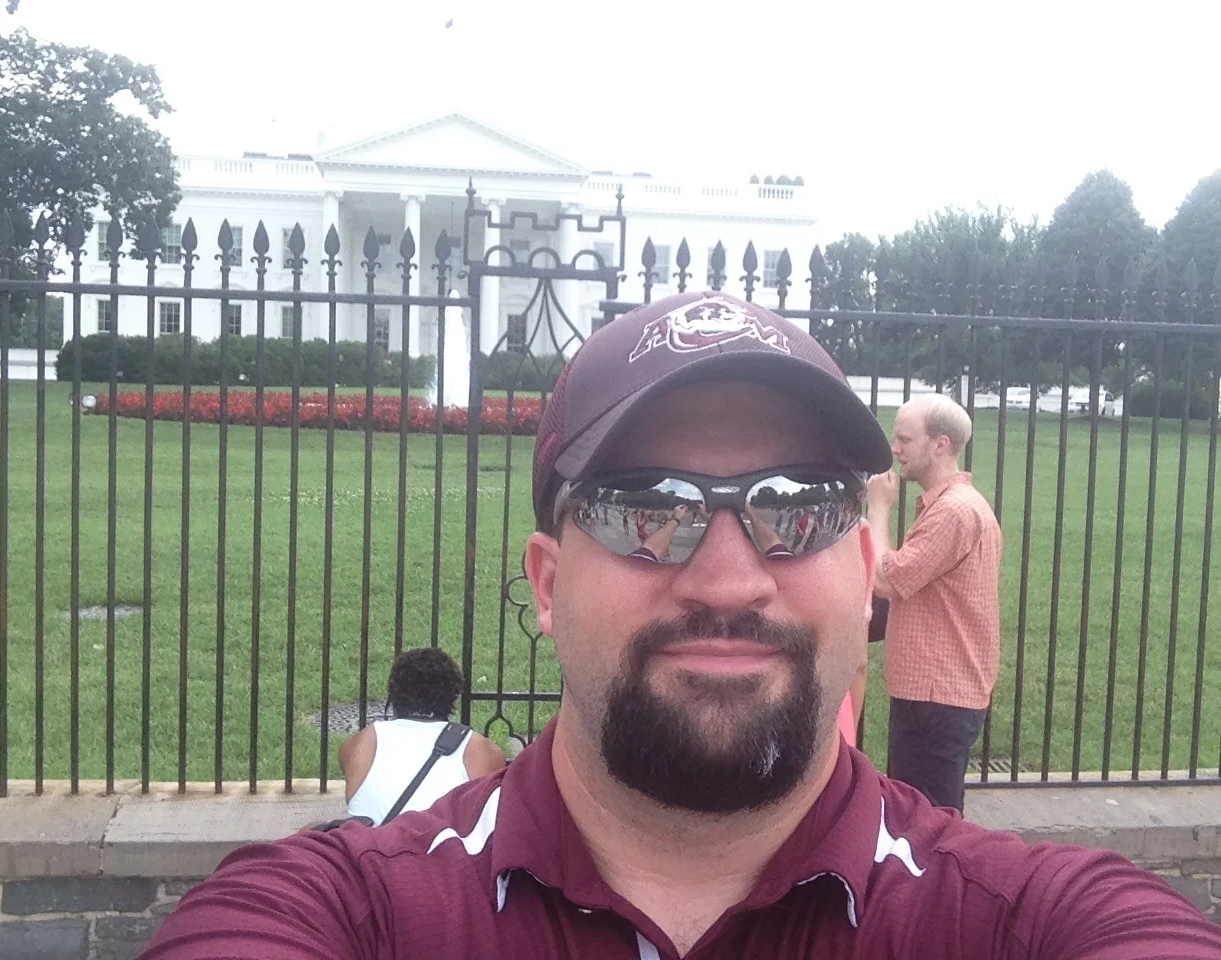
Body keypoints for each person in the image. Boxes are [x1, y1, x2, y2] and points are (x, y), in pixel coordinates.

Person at [140, 292, 1219, 959]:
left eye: (793, 507)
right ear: (547, 583)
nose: (727, 576)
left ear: (859, 564)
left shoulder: (1015, 922)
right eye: (644, 508)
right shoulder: (365, 912)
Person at [865, 394, 1002, 814]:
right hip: (937, 692)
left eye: (905, 439)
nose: (895, 448)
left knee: (926, 824)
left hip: (936, 696)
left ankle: (940, 883)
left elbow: (887, 579)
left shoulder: (954, 513)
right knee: (932, 816)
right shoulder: (952, 506)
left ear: (940, 445)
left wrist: (877, 506)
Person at [337, 648, 506, 824]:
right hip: (441, 849)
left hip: (371, 849)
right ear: (453, 695)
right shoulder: (481, 750)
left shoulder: (361, 743)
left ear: (394, 692)